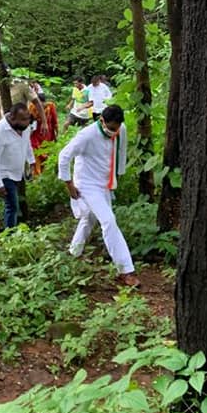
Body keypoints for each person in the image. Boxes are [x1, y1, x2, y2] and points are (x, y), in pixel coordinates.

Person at [58, 104, 139, 287]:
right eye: (110, 128)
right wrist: (69, 185)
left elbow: (121, 151)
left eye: (116, 128)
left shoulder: (121, 129)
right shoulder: (86, 135)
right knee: (109, 221)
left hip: (104, 183)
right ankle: (126, 270)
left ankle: (73, 252)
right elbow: (64, 156)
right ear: (102, 120)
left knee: (90, 217)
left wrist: (117, 178)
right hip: (87, 184)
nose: (114, 132)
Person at [0, 102, 35, 230]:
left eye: (28, 118)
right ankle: (10, 236)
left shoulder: (25, 127)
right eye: (23, 119)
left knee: (6, 201)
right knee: (12, 206)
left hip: (16, 171)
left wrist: (32, 161)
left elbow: (27, 144)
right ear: (12, 118)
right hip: (2, 173)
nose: (27, 122)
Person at [29, 92, 59, 174]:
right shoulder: (32, 107)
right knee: (36, 153)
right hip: (35, 135)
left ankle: (45, 174)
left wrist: (56, 134)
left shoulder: (51, 106)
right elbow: (30, 121)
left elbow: (55, 121)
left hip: (48, 135)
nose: (40, 106)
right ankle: (36, 176)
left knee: (46, 154)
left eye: (42, 104)